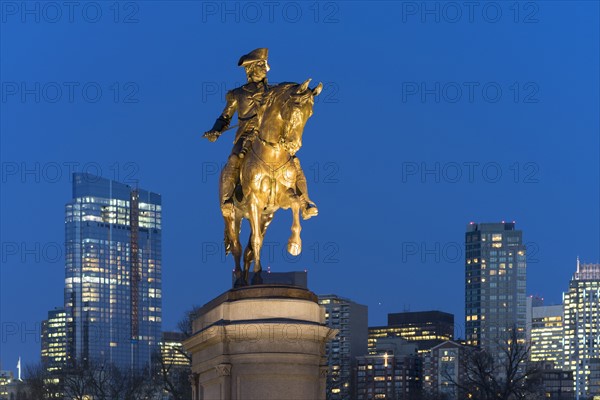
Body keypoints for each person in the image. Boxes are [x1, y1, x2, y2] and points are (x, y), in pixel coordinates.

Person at [204, 48, 318, 220]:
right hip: (245, 136)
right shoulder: (237, 94)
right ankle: (227, 199)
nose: (266, 68)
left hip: (271, 136)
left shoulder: (273, 91)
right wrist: (216, 131)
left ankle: (304, 201)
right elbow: (225, 117)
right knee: (234, 159)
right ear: (249, 69)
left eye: (265, 64)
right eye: (260, 65)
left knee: (294, 161)